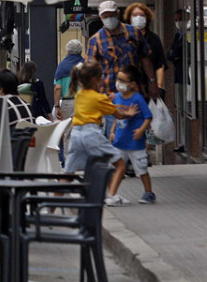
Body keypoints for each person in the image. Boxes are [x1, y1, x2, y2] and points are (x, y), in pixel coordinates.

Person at [65, 61, 139, 202]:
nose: (103, 79)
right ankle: (111, 196)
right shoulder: (99, 98)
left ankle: (51, 206)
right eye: (101, 77)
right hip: (91, 134)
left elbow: (95, 101)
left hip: (76, 134)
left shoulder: (79, 94)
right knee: (120, 164)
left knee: (68, 172)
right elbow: (118, 114)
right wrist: (129, 113)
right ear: (95, 80)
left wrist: (108, 99)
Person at [87, 0, 157, 99]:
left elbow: (146, 59)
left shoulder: (134, 33)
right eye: (105, 17)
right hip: (108, 96)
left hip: (134, 93)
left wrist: (152, 82)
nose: (109, 19)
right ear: (101, 18)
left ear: (117, 13)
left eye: (111, 15)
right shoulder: (95, 40)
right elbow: (90, 70)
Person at [109, 65, 155, 205]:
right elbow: (118, 117)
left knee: (141, 168)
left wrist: (141, 130)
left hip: (135, 143)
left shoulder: (138, 98)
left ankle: (149, 192)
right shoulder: (116, 98)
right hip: (120, 141)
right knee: (117, 167)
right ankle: (112, 194)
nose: (119, 83)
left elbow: (148, 116)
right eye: (118, 79)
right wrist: (112, 131)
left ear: (133, 84)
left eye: (123, 80)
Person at [125, 3, 166, 99]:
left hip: (149, 87)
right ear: (129, 18)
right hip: (129, 87)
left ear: (147, 18)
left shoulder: (154, 39)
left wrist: (159, 86)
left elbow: (160, 64)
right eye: (135, 15)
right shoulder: (124, 38)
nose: (138, 17)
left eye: (142, 15)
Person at [167, 9, 189, 153]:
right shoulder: (177, 36)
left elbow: (182, 52)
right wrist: (175, 54)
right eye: (176, 19)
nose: (178, 22)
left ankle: (186, 143)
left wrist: (175, 54)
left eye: (180, 19)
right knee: (180, 109)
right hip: (178, 76)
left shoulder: (190, 35)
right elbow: (170, 55)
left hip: (185, 76)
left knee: (185, 109)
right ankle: (182, 142)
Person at [53, 39, 85, 120]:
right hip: (84, 101)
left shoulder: (62, 66)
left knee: (67, 130)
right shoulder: (85, 65)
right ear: (81, 51)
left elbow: (57, 88)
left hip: (68, 103)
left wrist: (57, 106)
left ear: (67, 51)